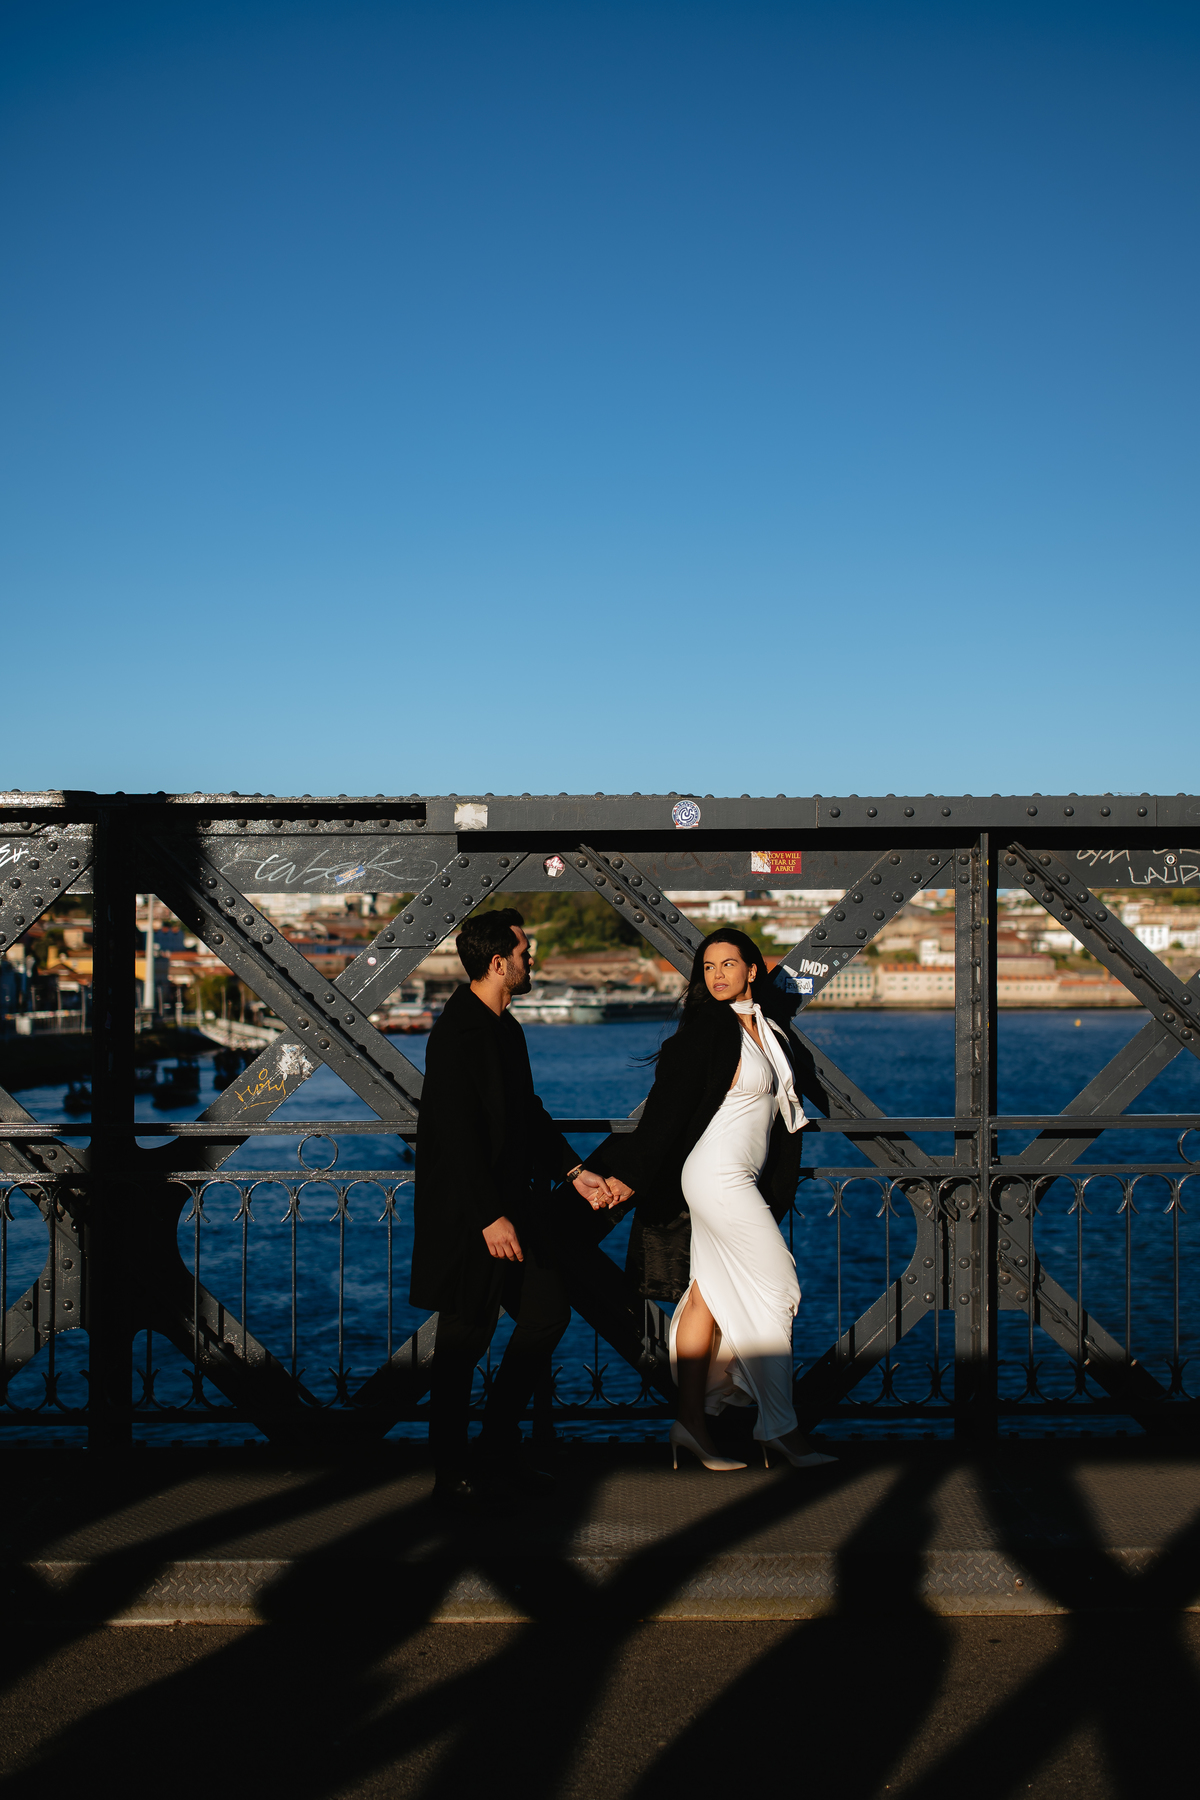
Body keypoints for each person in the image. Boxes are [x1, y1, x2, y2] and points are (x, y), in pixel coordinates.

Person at [586, 929, 835, 1472]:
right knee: (780, 1289)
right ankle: (780, 1427)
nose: (717, 975)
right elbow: (666, 1112)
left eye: (728, 964)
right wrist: (628, 1177)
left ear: (753, 970)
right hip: (716, 1176)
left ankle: (691, 1425)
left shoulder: (771, 1030)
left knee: (706, 1299)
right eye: (708, 967)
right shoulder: (706, 1031)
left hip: (742, 1178)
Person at [411, 907, 614, 1508]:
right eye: (525, 953)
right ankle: (450, 1473)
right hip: (474, 1220)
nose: (533, 961)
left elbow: (527, 1114)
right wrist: (487, 1217)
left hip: (514, 1210)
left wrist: (573, 1170)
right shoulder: (458, 1034)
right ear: (499, 963)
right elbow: (453, 1135)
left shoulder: (506, 1027)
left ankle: (497, 1444)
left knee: (547, 1315)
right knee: (462, 1345)